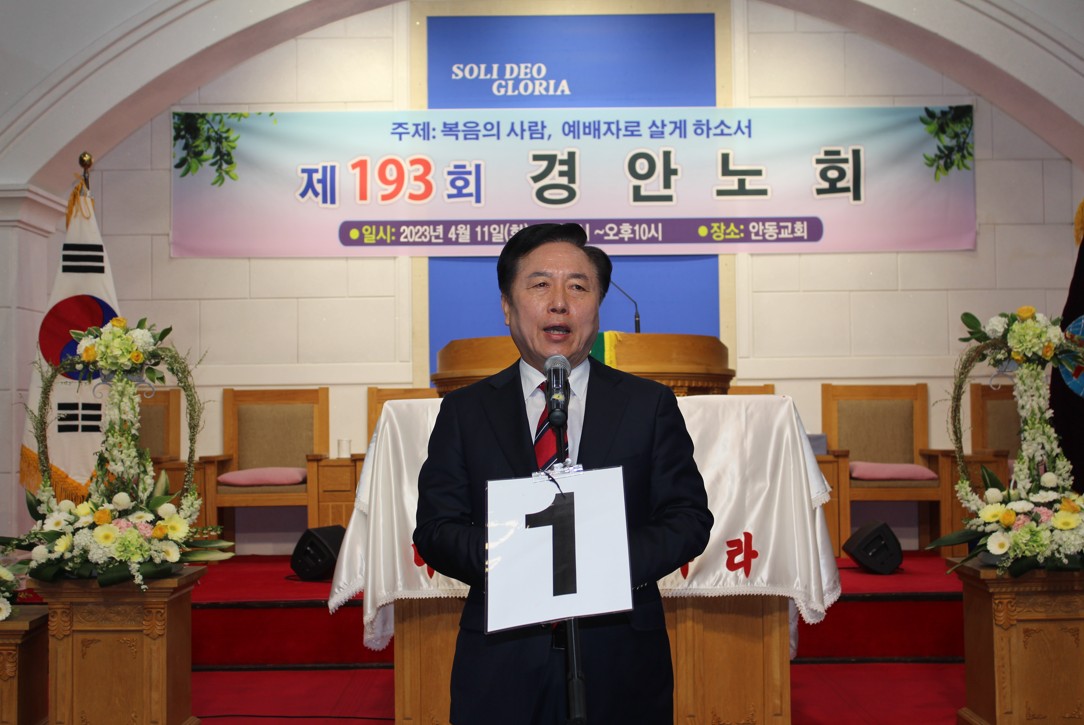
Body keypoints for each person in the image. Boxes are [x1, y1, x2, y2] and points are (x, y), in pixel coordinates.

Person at [413, 222, 713, 724]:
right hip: (502, 661)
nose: (559, 303)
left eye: (578, 286)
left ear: (597, 305)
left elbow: (687, 519)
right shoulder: (465, 412)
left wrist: (597, 565)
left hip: (620, 657)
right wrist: (517, 560)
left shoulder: (648, 405)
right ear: (507, 307)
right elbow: (437, 528)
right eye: (539, 285)